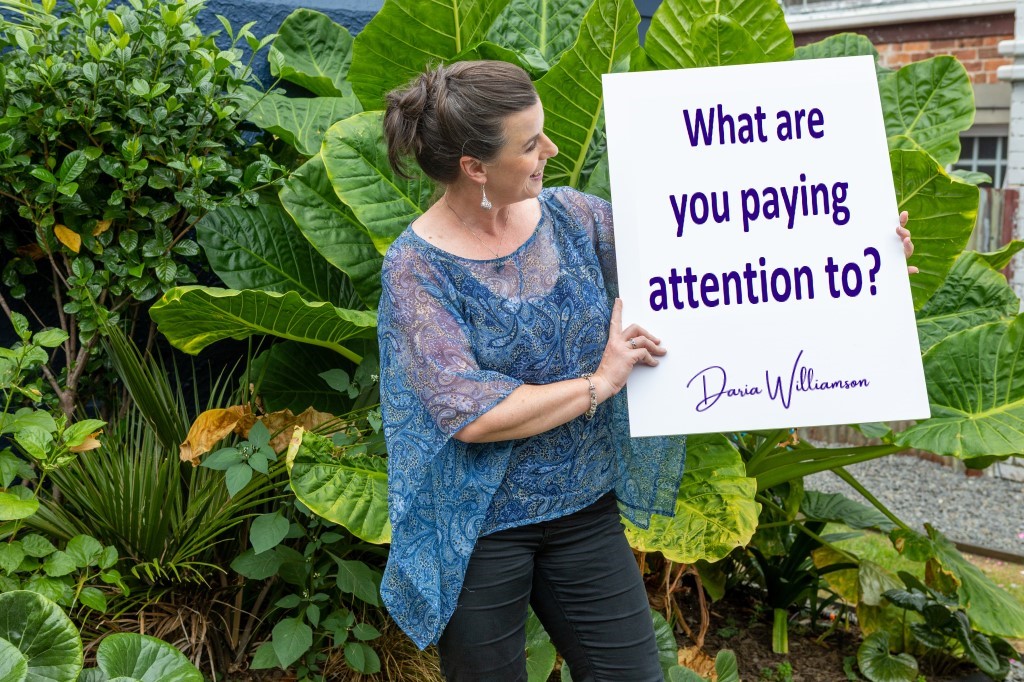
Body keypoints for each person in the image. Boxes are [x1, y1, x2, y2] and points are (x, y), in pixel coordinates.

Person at [377, 60, 916, 681]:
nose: (550, 149)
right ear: (475, 167)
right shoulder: (418, 271)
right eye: (531, 144)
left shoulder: (574, 218)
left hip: (583, 508)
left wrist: (858, 255)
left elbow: (716, 263)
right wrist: (598, 383)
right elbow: (471, 415)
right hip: (475, 527)